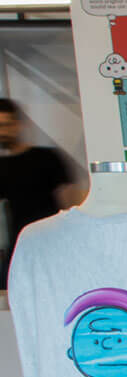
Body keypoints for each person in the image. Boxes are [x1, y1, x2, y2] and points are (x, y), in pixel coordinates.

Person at [0, 99, 86, 287]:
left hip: (54, 241)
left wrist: (77, 238)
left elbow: (70, 200)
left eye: (5, 125)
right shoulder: (2, 166)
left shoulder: (46, 158)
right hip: (20, 245)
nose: (2, 132)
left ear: (18, 125)